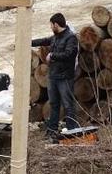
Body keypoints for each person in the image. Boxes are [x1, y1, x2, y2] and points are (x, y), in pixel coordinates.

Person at [31, 13, 79, 141]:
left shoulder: (71, 38)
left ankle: (72, 131)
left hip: (64, 77)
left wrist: (53, 55)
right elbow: (44, 40)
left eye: (51, 25)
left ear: (56, 24)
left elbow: (69, 54)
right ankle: (52, 130)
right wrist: (29, 42)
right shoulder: (56, 37)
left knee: (68, 104)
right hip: (53, 76)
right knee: (54, 104)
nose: (50, 27)